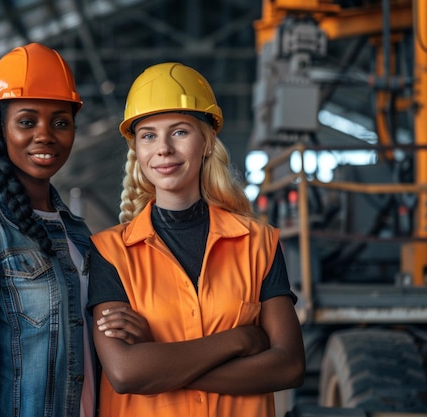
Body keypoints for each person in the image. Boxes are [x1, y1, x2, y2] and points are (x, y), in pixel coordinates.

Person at [87, 62, 305, 417]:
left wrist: (160, 362)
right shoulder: (110, 253)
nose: (163, 149)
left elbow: (289, 366)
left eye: (180, 132)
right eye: (148, 135)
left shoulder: (258, 244)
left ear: (206, 142)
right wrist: (240, 340)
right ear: (137, 152)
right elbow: (126, 373)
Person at [0, 43, 104, 417]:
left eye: (60, 122)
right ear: (1, 128)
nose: (45, 135)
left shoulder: (77, 232)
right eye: (27, 121)